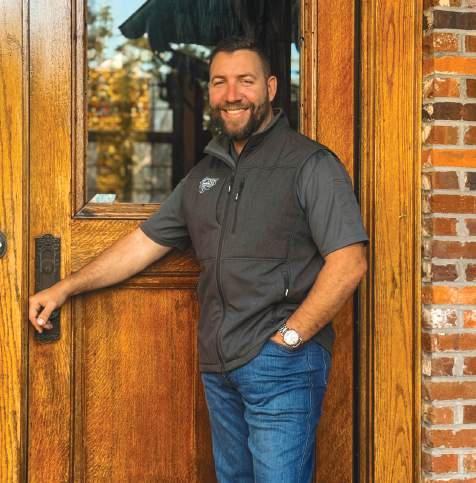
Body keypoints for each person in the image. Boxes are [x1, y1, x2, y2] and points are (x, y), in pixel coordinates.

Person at [29, 37, 368, 483]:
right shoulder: (205, 174)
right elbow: (142, 244)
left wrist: (289, 338)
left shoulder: (310, 164)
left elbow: (349, 261)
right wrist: (65, 286)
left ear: (270, 87)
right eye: (219, 82)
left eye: (245, 81)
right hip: (220, 366)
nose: (232, 94)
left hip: (282, 364)